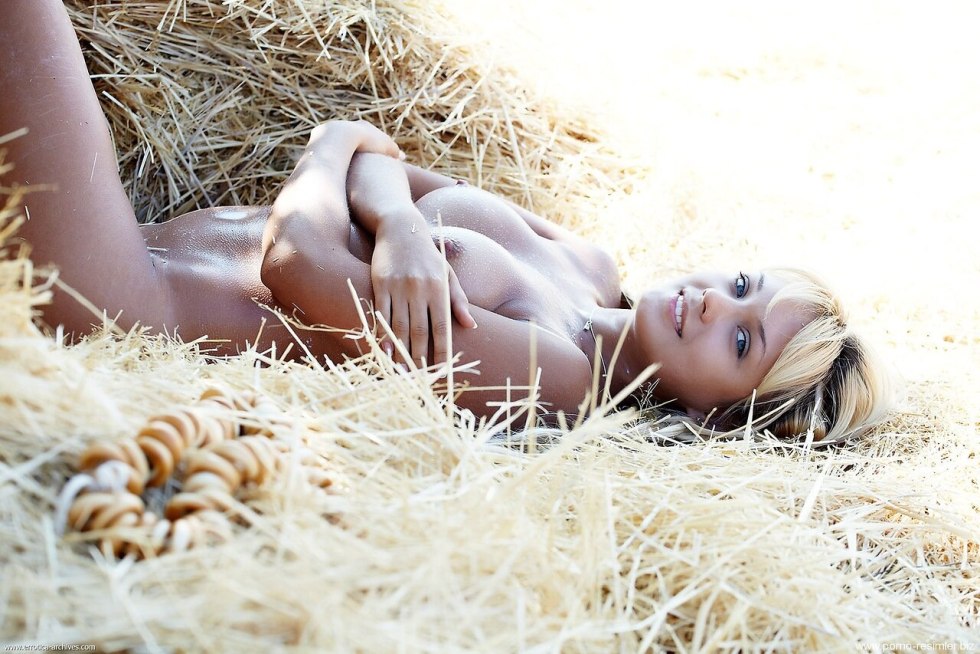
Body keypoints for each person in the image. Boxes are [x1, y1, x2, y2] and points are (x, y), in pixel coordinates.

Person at [0, 0, 890, 441]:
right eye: (744, 288)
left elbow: (296, 260)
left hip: (104, 297)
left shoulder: (557, 378)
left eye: (741, 343)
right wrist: (400, 225)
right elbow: (380, 159)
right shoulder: (584, 259)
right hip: (123, 230)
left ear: (716, 421)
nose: (715, 305)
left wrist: (339, 152)